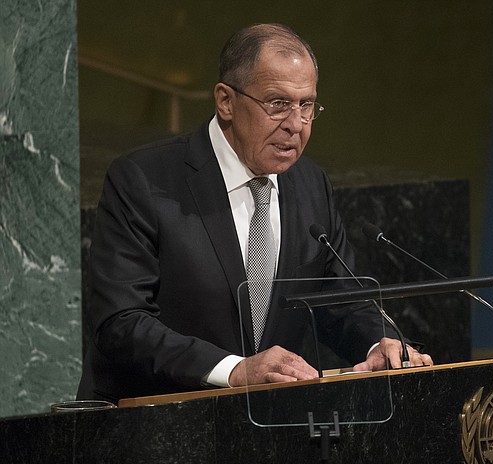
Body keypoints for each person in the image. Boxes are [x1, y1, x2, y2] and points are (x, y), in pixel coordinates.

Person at [77, 23, 431, 403]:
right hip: (154, 427)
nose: (296, 125)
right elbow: (121, 322)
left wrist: (378, 344)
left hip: (268, 435)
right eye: (278, 104)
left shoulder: (311, 184)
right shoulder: (144, 180)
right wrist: (233, 370)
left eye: (306, 105)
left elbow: (341, 299)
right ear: (225, 101)